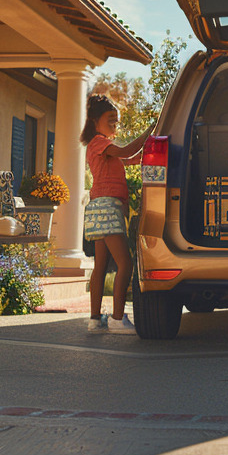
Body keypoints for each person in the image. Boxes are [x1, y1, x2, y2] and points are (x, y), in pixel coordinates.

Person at [81, 93, 148, 333]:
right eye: (110, 119)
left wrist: (148, 155)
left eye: (116, 121)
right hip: (107, 207)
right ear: (94, 121)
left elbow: (131, 158)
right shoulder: (100, 142)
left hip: (100, 207)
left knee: (100, 266)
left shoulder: (104, 149)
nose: (115, 125)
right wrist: (150, 131)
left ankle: (94, 319)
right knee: (125, 263)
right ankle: (118, 319)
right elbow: (129, 150)